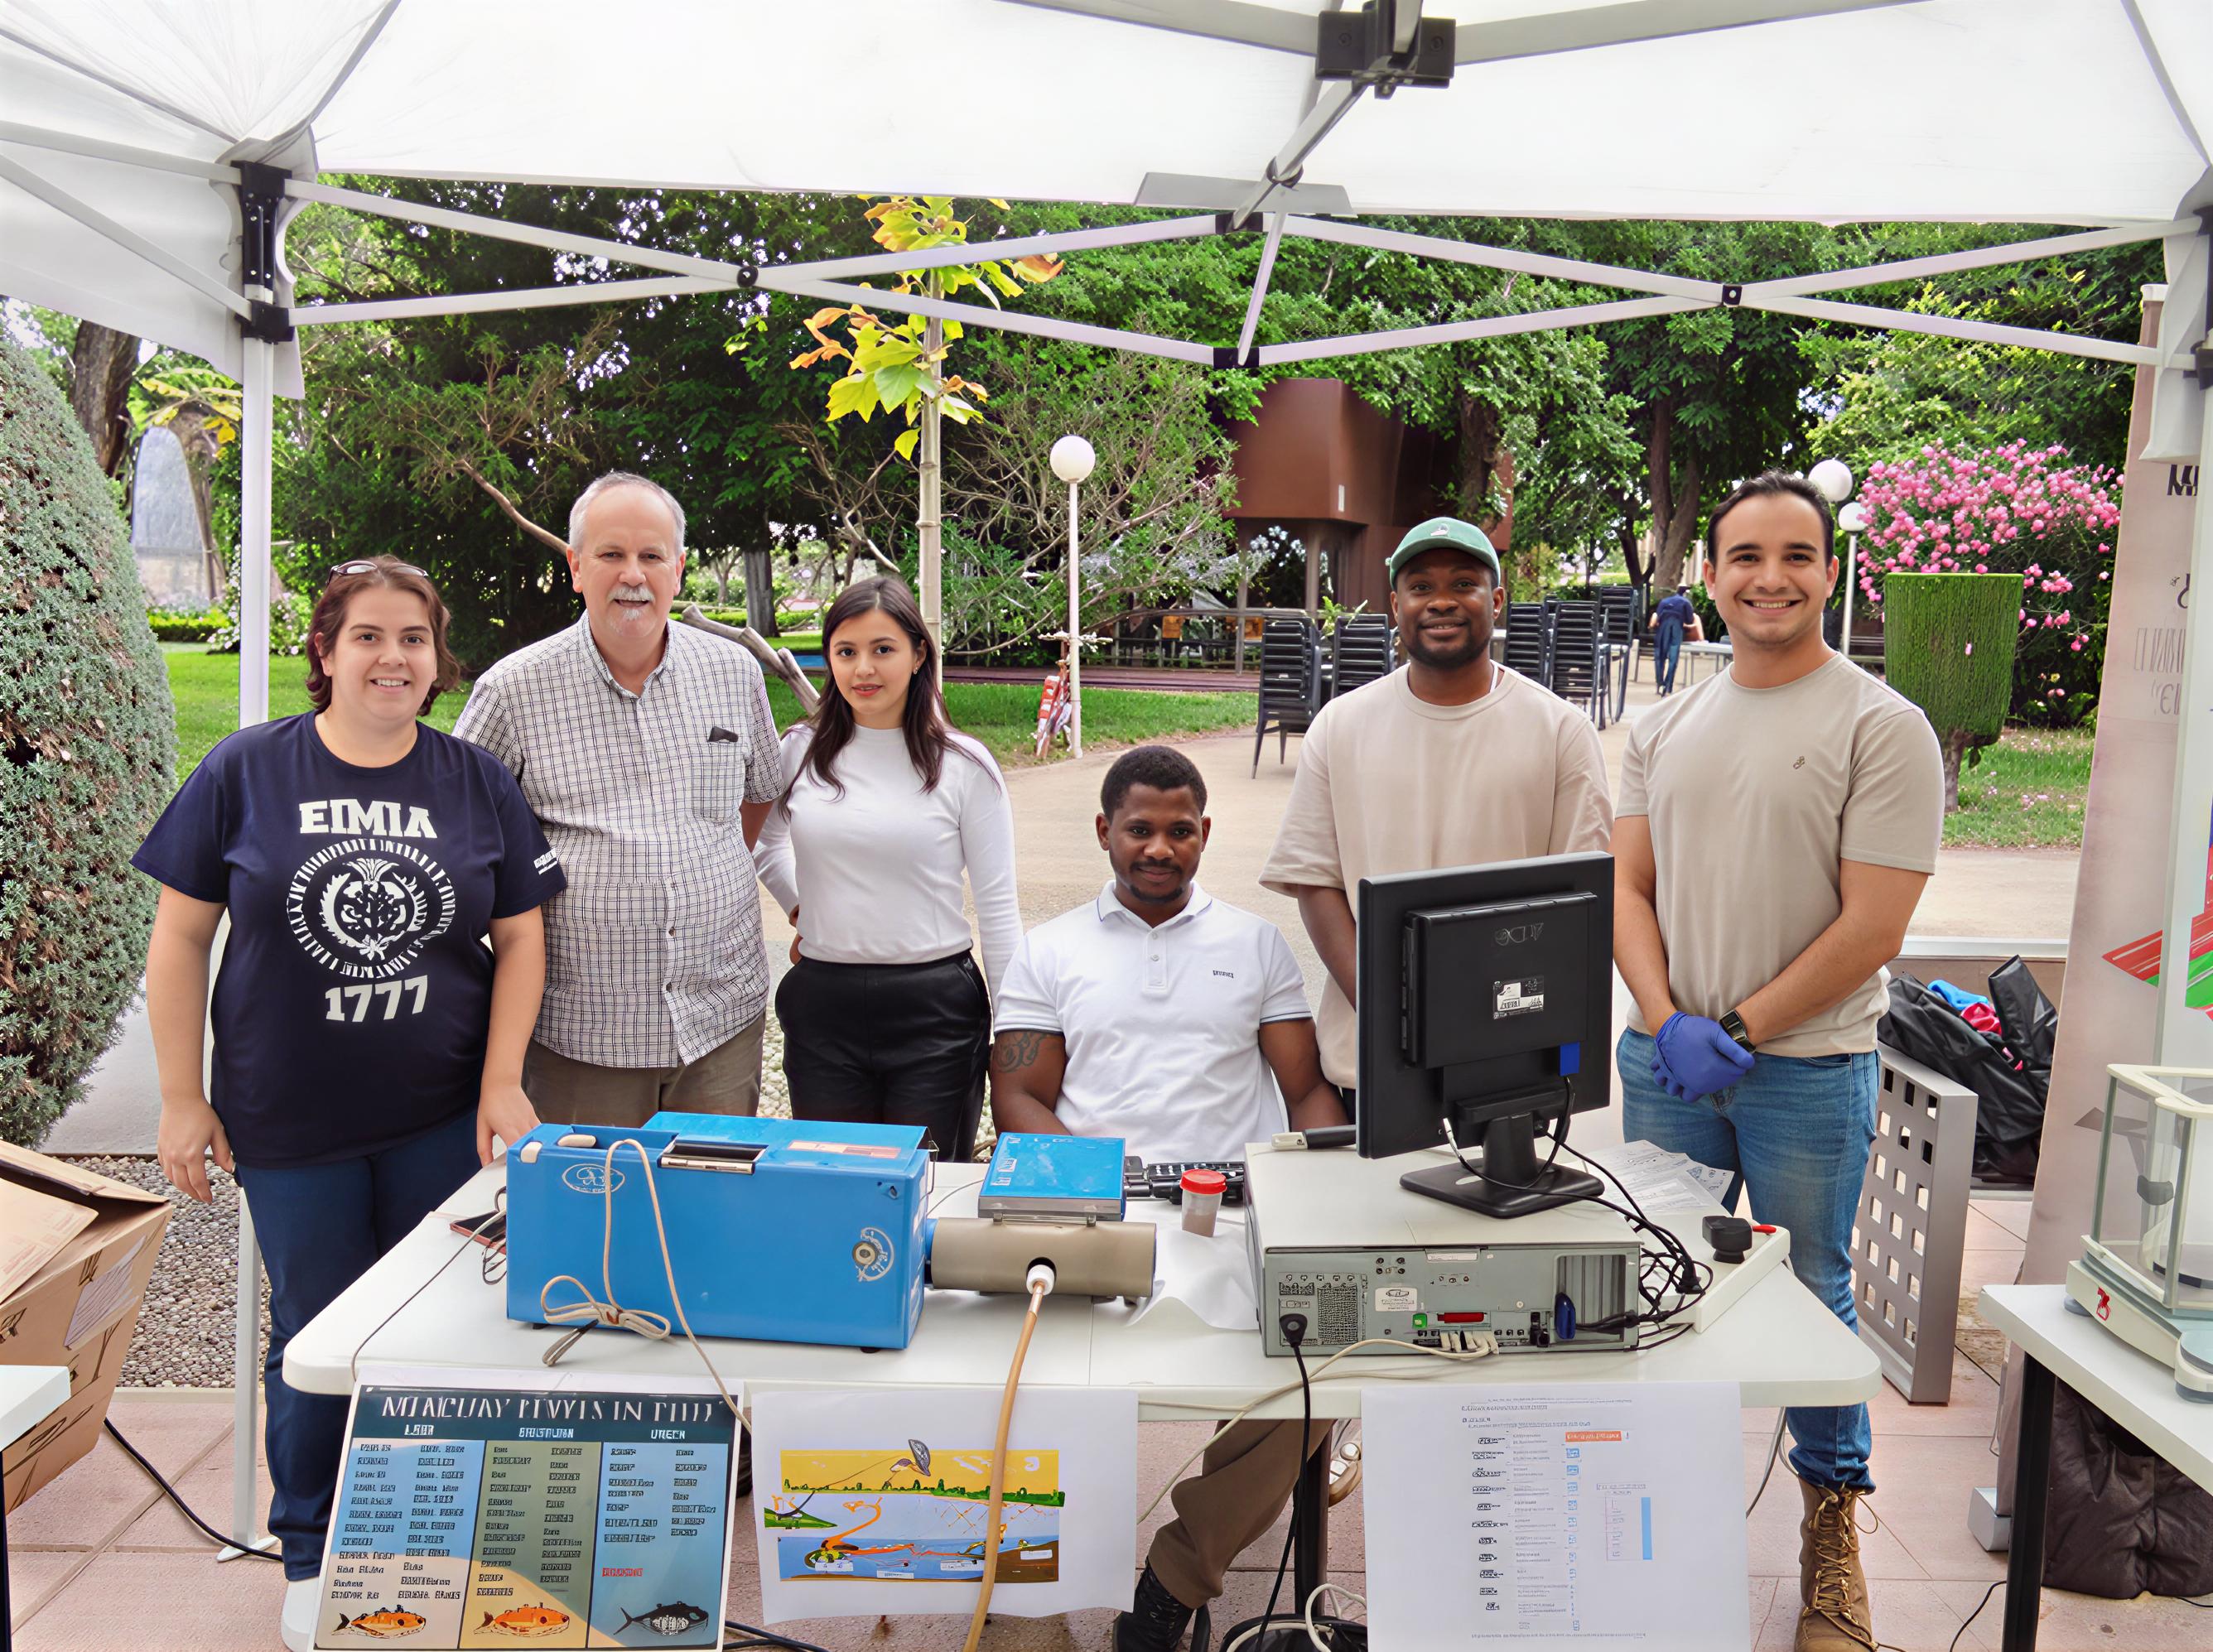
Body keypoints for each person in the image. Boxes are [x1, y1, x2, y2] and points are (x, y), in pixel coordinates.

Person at [136, 558, 563, 1650]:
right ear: (325, 651)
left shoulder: (475, 780)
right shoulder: (245, 770)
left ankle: (432, 1540)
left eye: (413, 637)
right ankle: (313, 1549)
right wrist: (182, 1097)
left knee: (444, 1331)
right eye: (367, 635)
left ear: (437, 656)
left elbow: (522, 938)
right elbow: (179, 939)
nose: (392, 657)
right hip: (289, 1121)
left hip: (441, 1114)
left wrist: (503, 1078)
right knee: (317, 1334)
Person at [1613, 472, 1941, 1652]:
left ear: (1830, 570)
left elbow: (1874, 925)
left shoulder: (1881, 726)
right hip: (1666, 1063)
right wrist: (1665, 1021)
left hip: (1806, 1065)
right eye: (1744, 556)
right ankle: (1660, 1531)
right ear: (1707, 576)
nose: (1770, 577)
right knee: (1660, 1286)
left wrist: (1740, 1030)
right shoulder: (1659, 727)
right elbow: (1627, 886)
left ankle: (1832, 1532)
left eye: (1795, 555)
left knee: (1808, 1290)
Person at [988, 746, 1347, 1650]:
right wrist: (1099, 1186)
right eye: (1139, 829)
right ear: (1103, 831)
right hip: (1097, 1213)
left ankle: (1175, 1577)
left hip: (1229, 1212)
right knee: (1000, 1358)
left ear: (1205, 834)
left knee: (1320, 1367)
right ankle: (1031, 1587)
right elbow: (1019, 1098)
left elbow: (1306, 1087)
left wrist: (1315, 1189)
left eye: (1179, 830)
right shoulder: (1052, 948)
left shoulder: (1255, 943)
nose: (1159, 847)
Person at [455, 471, 785, 1127]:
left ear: (678, 570)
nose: (633, 574)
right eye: (611, 554)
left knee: (713, 1188)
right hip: (581, 1038)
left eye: (651, 555)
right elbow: (462, 836)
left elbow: (757, 797)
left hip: (720, 1022)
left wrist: (699, 873)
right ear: (576, 566)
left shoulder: (733, 672)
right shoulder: (512, 691)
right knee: (592, 1196)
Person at [1261, 517, 1613, 1097]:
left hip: (1508, 1056)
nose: (1441, 601)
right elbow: (1315, 881)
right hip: (1370, 1056)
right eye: (1421, 586)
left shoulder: (1561, 731)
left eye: (1464, 584)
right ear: (1395, 604)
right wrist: (1389, 1012)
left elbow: (1577, 905)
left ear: (1496, 600)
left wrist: (1491, 1019)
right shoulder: (1341, 725)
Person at [754, 576, 1018, 1160]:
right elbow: (766, 844)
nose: (863, 669)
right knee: (830, 1179)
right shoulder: (799, 749)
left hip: (936, 1011)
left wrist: (1013, 1032)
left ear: (919, 654)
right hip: (823, 1007)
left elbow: (999, 910)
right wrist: (802, 907)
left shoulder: (965, 765)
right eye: (846, 651)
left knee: (924, 1184)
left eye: (883, 649)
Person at [1648, 580, 1702, 695]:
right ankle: (1668, 685)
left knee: (1660, 657)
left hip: (1663, 629)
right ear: (1685, 592)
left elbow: (1657, 616)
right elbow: (1689, 619)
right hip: (1677, 628)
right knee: (1673, 658)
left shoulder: (1664, 601)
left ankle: (1660, 683)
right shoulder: (1686, 603)